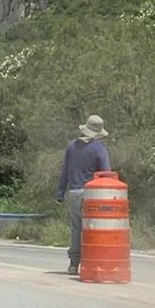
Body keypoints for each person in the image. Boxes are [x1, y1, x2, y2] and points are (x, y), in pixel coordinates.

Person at [54, 114, 111, 275]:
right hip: (92, 195)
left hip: (73, 193)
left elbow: (64, 172)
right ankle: (93, 262)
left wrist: (59, 194)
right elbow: (107, 174)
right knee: (92, 229)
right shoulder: (99, 149)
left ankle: (74, 263)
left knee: (76, 228)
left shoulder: (71, 146)